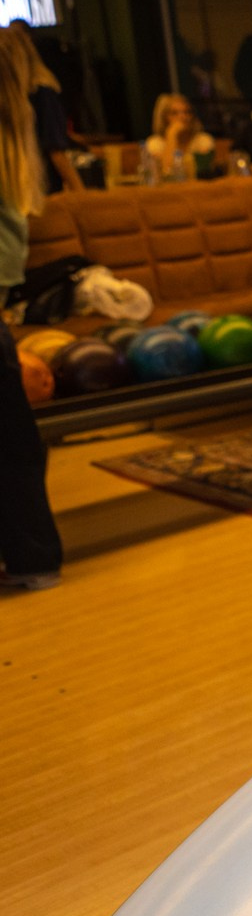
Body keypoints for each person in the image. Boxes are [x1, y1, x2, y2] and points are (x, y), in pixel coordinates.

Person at [0, 32, 64, 591]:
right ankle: (34, 559)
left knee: (13, 441)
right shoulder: (13, 137)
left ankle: (35, 559)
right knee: (14, 441)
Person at [0, 28, 84, 194]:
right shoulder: (41, 92)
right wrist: (82, 194)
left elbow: (55, 148)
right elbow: (56, 152)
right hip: (40, 191)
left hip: (33, 190)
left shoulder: (37, 92)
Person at [144, 93, 217, 182]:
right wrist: (171, 135)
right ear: (164, 117)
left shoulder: (203, 140)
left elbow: (204, 173)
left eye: (187, 112)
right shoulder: (155, 143)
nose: (183, 117)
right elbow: (166, 171)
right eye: (174, 113)